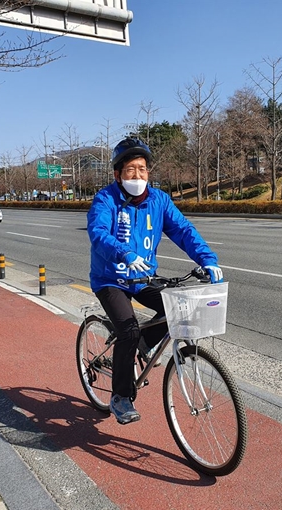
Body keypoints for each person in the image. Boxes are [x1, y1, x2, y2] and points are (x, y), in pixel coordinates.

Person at [87, 138, 223, 425]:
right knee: (128, 329)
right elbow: (98, 233)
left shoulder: (159, 200)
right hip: (111, 279)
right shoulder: (105, 199)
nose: (138, 176)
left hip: (143, 277)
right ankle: (120, 397)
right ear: (117, 174)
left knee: (179, 307)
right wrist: (123, 251)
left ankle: (143, 345)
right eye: (130, 170)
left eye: (143, 169)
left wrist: (207, 259)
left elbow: (183, 230)